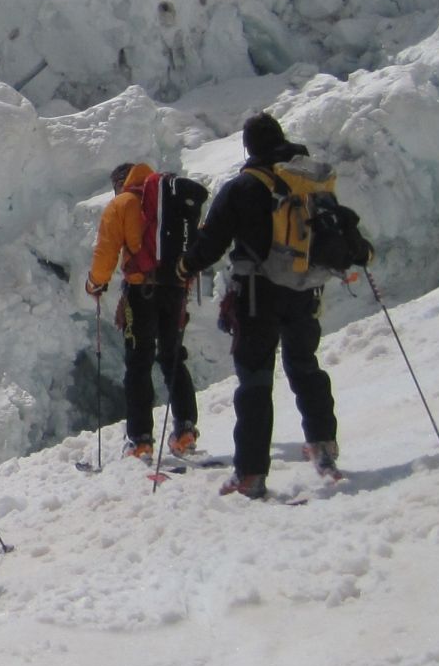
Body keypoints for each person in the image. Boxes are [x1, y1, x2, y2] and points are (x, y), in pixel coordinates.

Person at [180, 113, 347, 498]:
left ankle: (251, 473)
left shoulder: (244, 186)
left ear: (249, 147)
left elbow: (212, 242)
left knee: (255, 379)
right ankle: (324, 447)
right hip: (305, 288)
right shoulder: (308, 183)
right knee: (305, 365)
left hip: (257, 295)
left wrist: (185, 265)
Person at [85, 162, 200, 461]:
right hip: (175, 290)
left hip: (142, 292)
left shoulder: (122, 204)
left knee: (139, 362)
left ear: (120, 183)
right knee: (173, 356)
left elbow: (107, 251)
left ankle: (140, 441)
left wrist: (95, 284)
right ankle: (186, 430)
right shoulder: (172, 203)